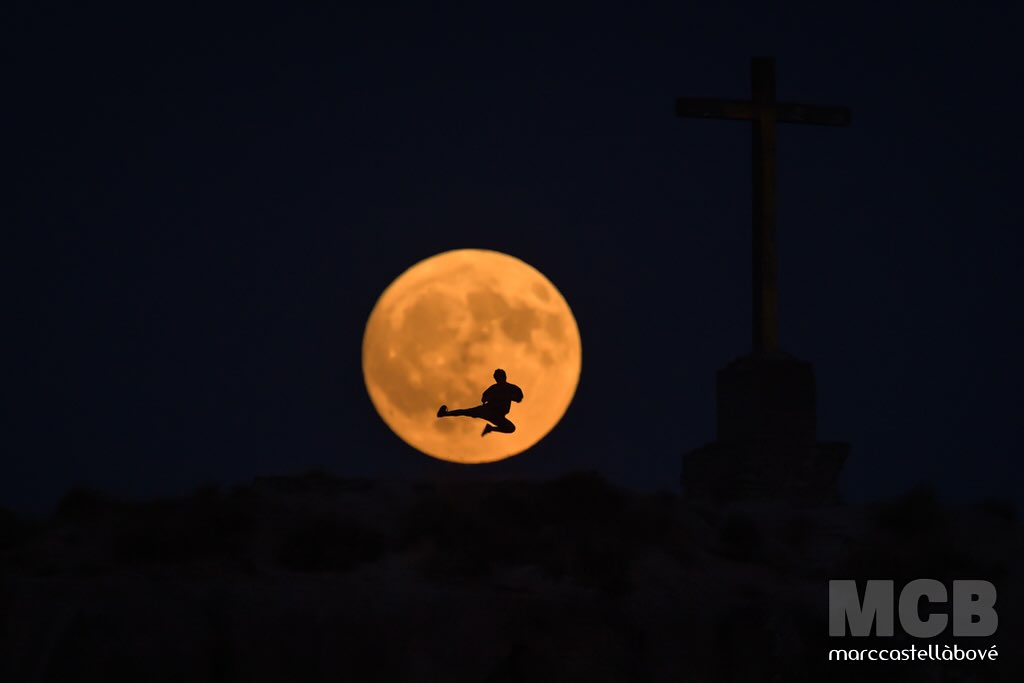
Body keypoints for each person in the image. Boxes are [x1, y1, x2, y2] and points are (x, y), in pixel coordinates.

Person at [437, 369, 524, 436]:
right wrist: (489, 398)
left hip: (498, 416)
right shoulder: (494, 388)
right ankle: (445, 413)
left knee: (511, 428)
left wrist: (508, 396)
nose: (497, 379)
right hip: (487, 410)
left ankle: (490, 428)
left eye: (498, 377)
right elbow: (484, 398)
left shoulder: (511, 388)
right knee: (466, 412)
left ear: (504, 377)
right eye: (496, 378)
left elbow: (519, 398)